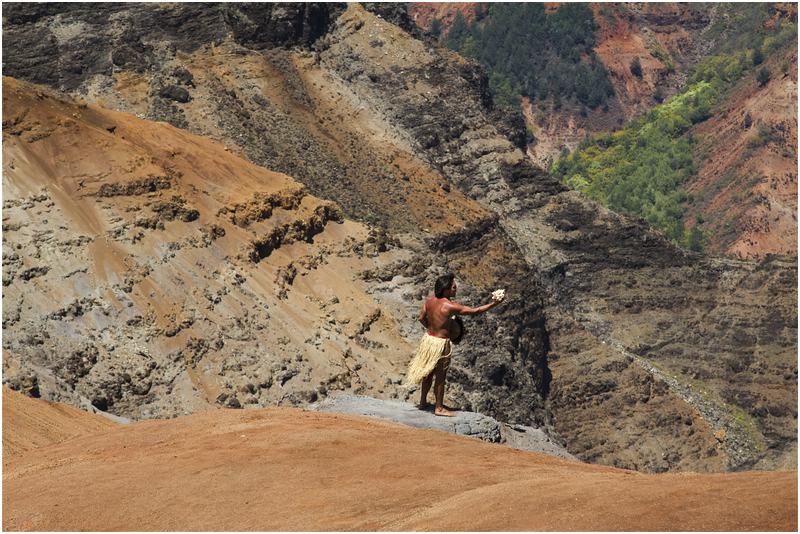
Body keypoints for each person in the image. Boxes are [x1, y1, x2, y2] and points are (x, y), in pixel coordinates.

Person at [405, 273, 503, 417]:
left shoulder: (429, 302)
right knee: (440, 377)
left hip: (428, 339)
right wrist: (494, 304)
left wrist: (431, 328)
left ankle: (422, 402)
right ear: (446, 289)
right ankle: (439, 408)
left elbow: (421, 318)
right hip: (440, 344)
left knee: (427, 373)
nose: (456, 288)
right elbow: (475, 311)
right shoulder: (449, 306)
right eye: (453, 287)